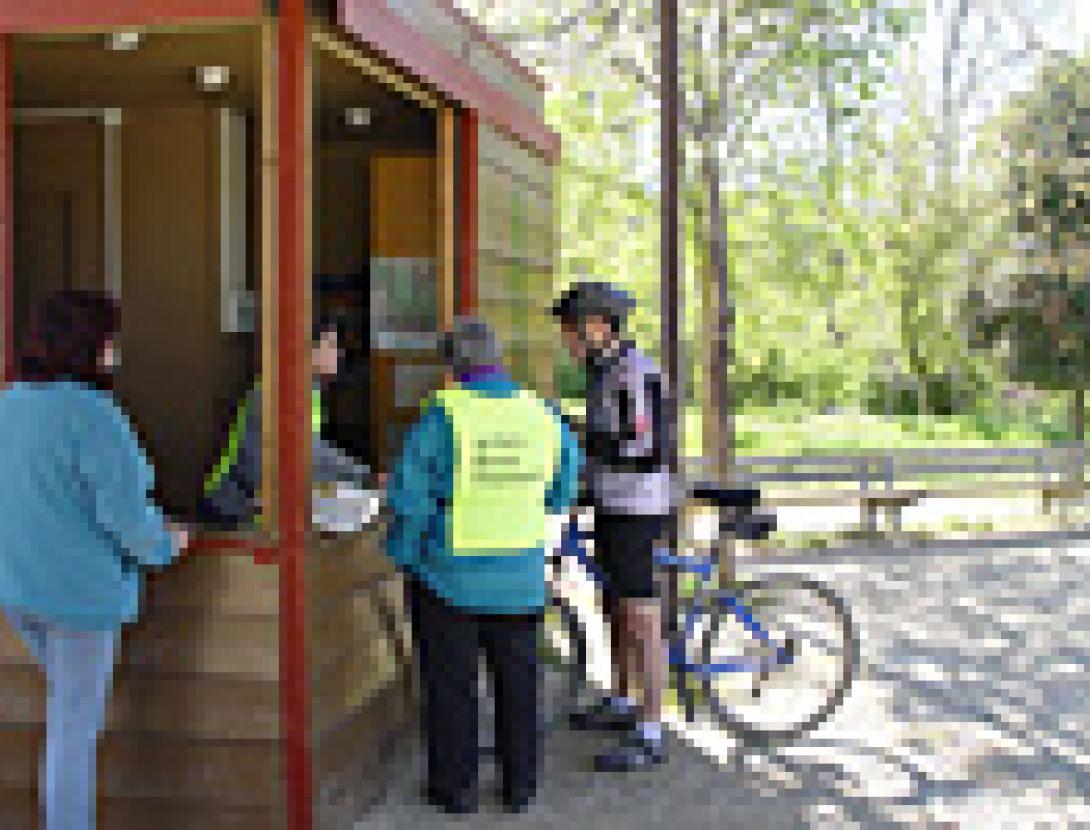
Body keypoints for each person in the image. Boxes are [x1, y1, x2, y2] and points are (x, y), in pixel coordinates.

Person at [0, 290, 190, 830]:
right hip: (79, 597)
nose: (116, 349)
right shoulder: (96, 419)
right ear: (93, 346)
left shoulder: (9, 404)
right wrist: (165, 546)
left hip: (19, 589)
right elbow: (127, 516)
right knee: (73, 731)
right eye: (111, 338)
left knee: (66, 717)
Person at [385, 316, 581, 814]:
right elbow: (563, 488)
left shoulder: (441, 418)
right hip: (518, 578)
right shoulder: (541, 415)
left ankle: (457, 790)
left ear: (450, 367)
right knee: (519, 684)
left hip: (448, 577)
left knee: (452, 687)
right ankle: (521, 787)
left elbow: (410, 499)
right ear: (498, 360)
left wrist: (405, 555)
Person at [551, 280, 677, 771]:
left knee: (642, 615)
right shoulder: (601, 371)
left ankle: (651, 729)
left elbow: (645, 450)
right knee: (614, 607)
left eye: (571, 330)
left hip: (638, 508)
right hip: (613, 503)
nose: (566, 340)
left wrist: (582, 438)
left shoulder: (634, 374)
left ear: (599, 326)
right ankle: (622, 700)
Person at [200, 310, 367, 528]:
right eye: (332, 344)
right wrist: (361, 474)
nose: (339, 353)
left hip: (255, 499)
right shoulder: (281, 392)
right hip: (232, 502)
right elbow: (308, 451)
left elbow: (309, 449)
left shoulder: (307, 388)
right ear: (310, 349)